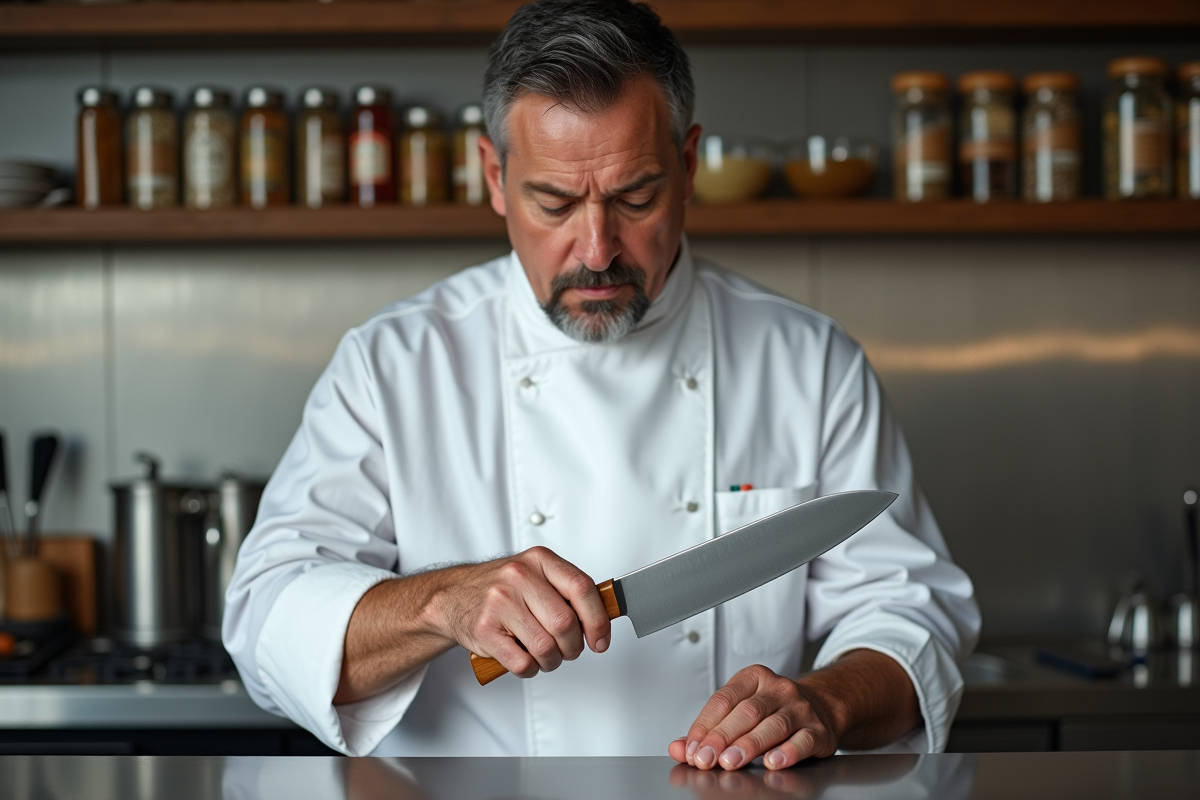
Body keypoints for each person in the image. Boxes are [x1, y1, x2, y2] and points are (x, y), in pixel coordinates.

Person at [224, 0, 979, 768]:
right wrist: (437, 604)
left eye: (635, 198)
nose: (596, 249)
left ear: (689, 167)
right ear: (495, 177)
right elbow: (267, 624)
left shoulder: (809, 363)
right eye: (554, 202)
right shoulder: (393, 365)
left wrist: (828, 702)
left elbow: (911, 617)